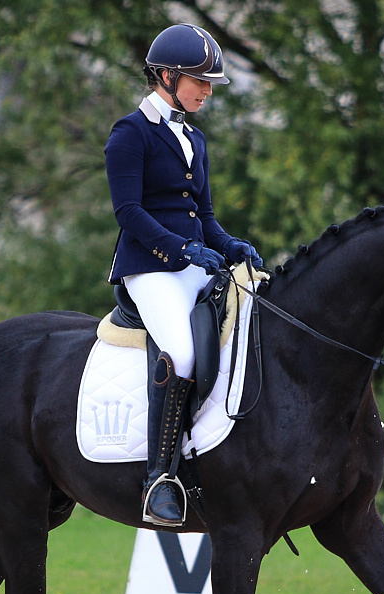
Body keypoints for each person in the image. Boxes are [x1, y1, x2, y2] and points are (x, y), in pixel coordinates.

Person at [105, 23, 265, 527]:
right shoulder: (130, 133)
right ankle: (159, 478)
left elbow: (205, 216)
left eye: (210, 83)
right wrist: (183, 249)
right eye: (201, 81)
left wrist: (229, 244)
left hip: (195, 262)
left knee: (254, 326)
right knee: (181, 351)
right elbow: (128, 212)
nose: (207, 91)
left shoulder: (194, 137)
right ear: (168, 77)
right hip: (150, 268)